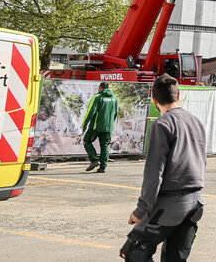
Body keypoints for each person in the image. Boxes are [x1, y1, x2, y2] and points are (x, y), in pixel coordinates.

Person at [121, 74, 206, 262]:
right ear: (179, 95)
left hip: (171, 203)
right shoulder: (195, 121)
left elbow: (154, 173)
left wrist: (141, 210)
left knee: (133, 253)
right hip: (196, 203)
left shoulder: (162, 124)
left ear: (154, 99)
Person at [82, 82, 119, 173]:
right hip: (108, 127)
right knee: (105, 146)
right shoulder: (115, 99)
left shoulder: (97, 97)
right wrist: (110, 124)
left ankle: (94, 160)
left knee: (87, 141)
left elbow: (90, 112)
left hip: (96, 127)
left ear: (100, 87)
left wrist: (84, 124)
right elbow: (116, 113)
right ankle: (102, 167)